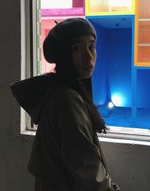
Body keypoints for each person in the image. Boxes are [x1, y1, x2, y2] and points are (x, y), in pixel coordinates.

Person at [10, 18, 120, 191]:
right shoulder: (67, 100)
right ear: (63, 56)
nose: (89, 57)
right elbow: (89, 174)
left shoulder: (62, 92)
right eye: (76, 48)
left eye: (91, 46)